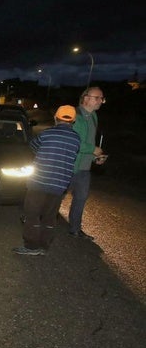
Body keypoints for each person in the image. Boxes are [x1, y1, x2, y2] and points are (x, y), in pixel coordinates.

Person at [12, 105, 80, 256]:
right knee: (50, 216)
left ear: (56, 118)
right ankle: (44, 246)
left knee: (32, 214)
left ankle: (31, 246)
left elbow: (33, 146)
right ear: (73, 121)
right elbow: (73, 156)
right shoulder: (76, 139)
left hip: (39, 182)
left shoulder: (47, 134)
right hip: (59, 185)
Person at [68, 86, 106, 240]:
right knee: (56, 196)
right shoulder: (75, 116)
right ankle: (42, 222)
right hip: (70, 165)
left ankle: (75, 229)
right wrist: (93, 149)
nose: (100, 101)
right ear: (86, 98)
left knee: (81, 198)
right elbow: (73, 142)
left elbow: (89, 143)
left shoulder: (94, 116)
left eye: (101, 98)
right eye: (97, 98)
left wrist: (94, 157)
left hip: (84, 167)